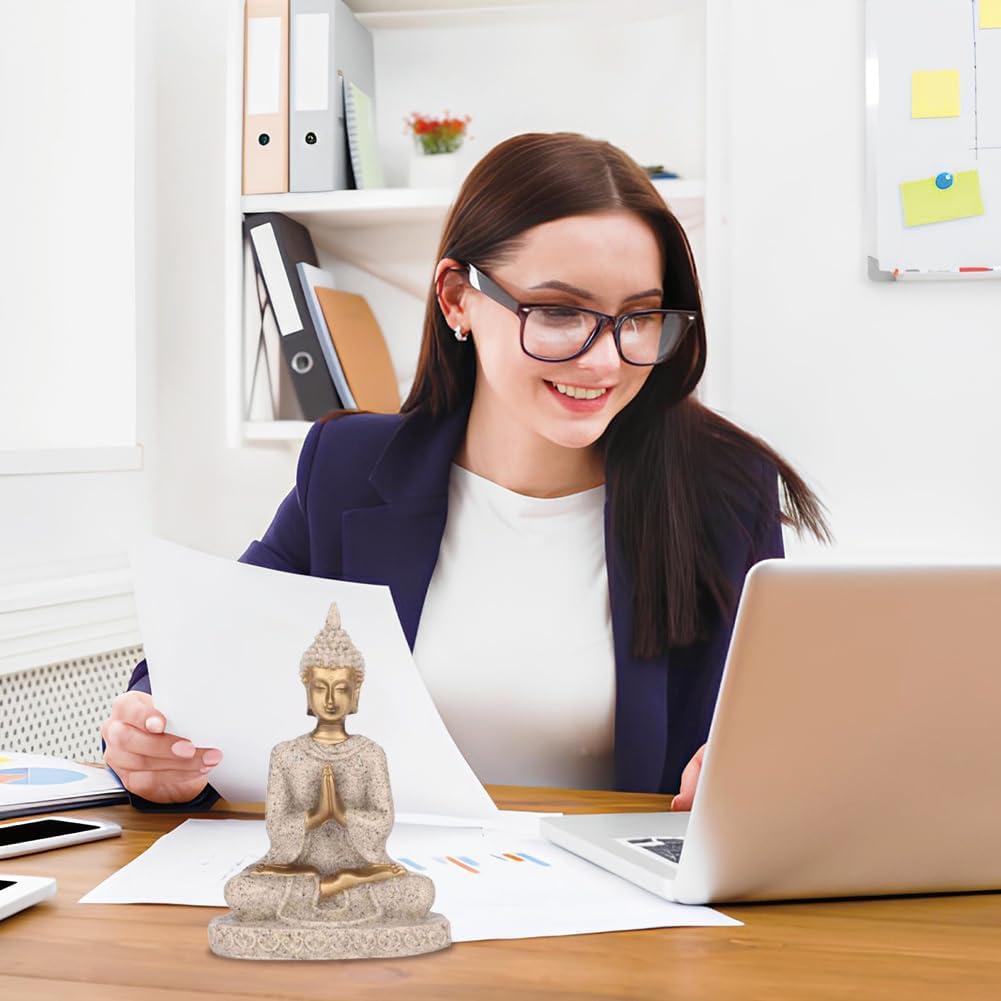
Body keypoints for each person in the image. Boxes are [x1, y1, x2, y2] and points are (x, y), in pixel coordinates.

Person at [101, 131, 830, 814]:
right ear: (457, 298)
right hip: (383, 905)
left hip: (614, 929)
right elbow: (198, 669)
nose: (604, 360)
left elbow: (773, 732)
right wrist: (151, 748)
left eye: (636, 317)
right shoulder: (350, 468)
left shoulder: (721, 492)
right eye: (557, 312)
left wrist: (757, 775)